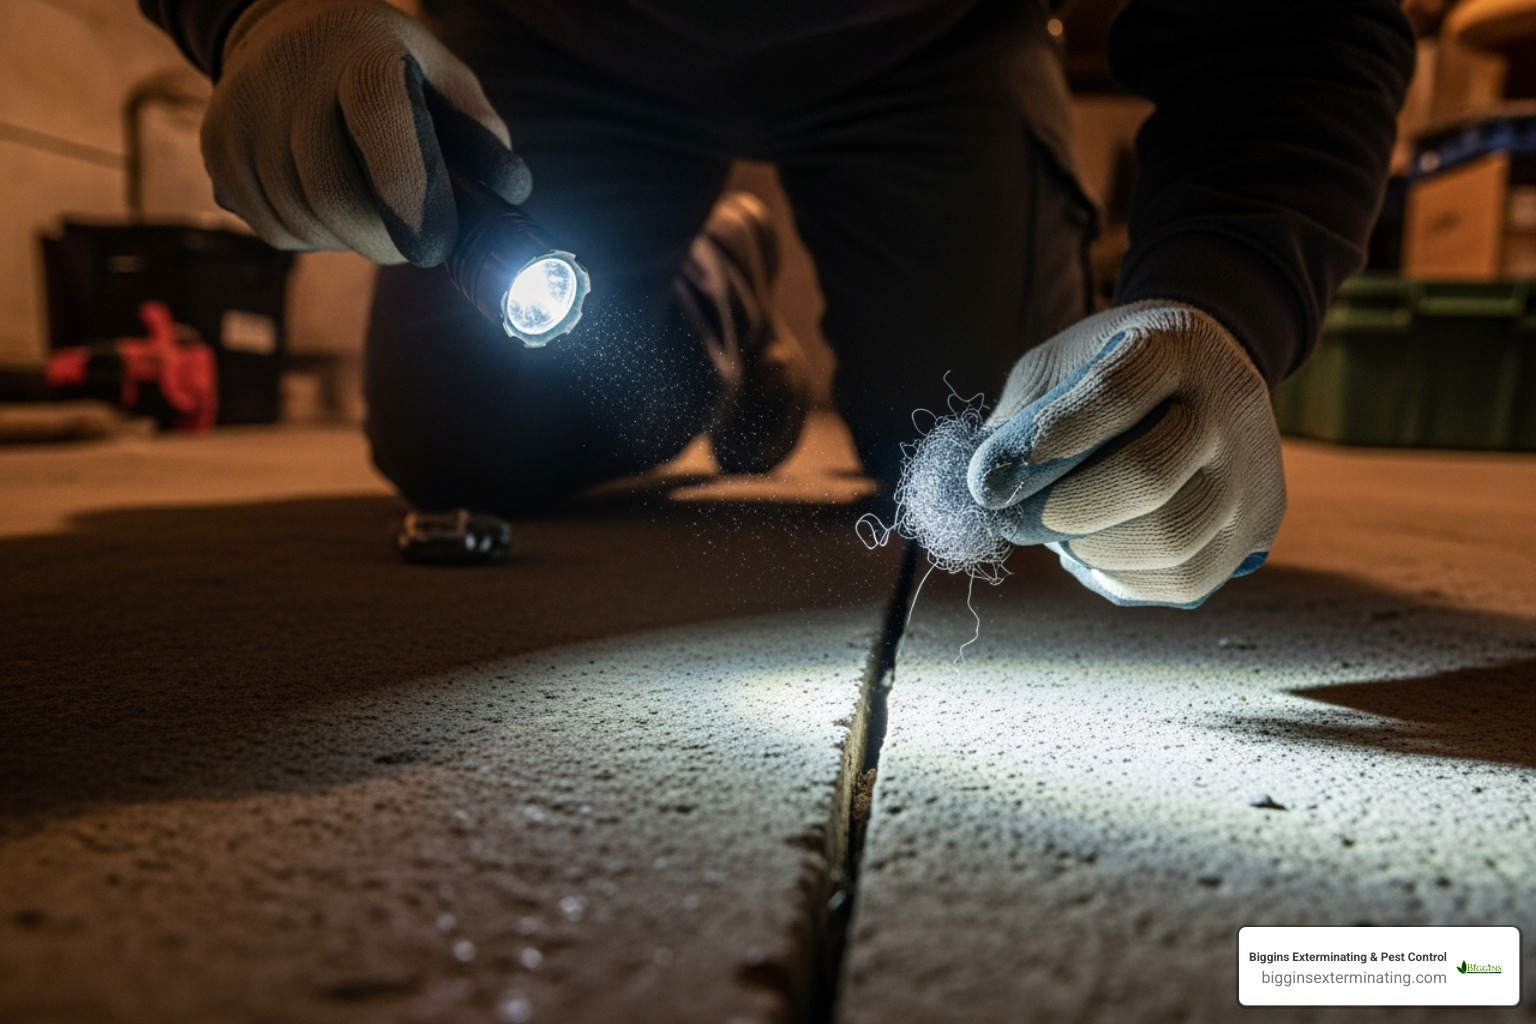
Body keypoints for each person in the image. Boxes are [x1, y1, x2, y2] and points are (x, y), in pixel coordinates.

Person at [140, 0, 1414, 607]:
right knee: (467, 434)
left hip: (932, 49)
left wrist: (1222, 299)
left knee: (1004, 455)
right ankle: (716, 296)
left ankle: (723, 278)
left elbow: (1297, 33)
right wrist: (262, 12)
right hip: (555, 37)